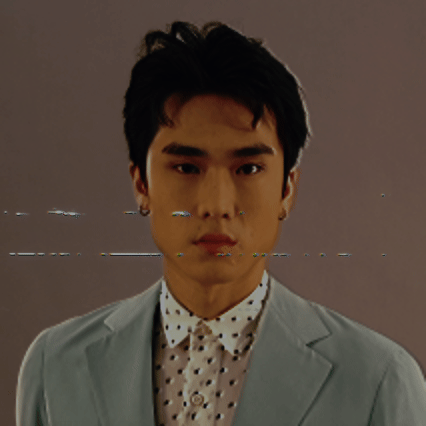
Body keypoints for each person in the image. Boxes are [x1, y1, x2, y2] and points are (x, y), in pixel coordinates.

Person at [16, 21, 426, 426]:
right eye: (186, 167)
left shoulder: (377, 379)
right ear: (142, 183)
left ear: (287, 188)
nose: (216, 204)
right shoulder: (56, 365)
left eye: (248, 168)